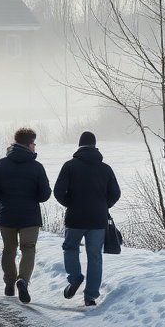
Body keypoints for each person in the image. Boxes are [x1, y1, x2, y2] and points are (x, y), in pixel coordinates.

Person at [53, 131, 122, 307]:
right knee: (95, 255)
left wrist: (71, 203)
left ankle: (75, 278)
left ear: (79, 145)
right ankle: (90, 296)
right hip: (97, 220)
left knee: (70, 247)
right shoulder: (105, 168)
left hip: (75, 217)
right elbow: (116, 193)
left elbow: (58, 192)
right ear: (95, 145)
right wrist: (103, 205)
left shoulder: (69, 166)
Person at [0, 127, 52, 304]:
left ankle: (9, 282)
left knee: (9, 249)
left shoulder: (2, 164)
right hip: (30, 216)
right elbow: (45, 194)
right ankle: (23, 280)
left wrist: (5, 197)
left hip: (7, 214)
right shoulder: (37, 167)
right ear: (29, 144)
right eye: (34, 144)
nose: (35, 147)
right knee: (28, 248)